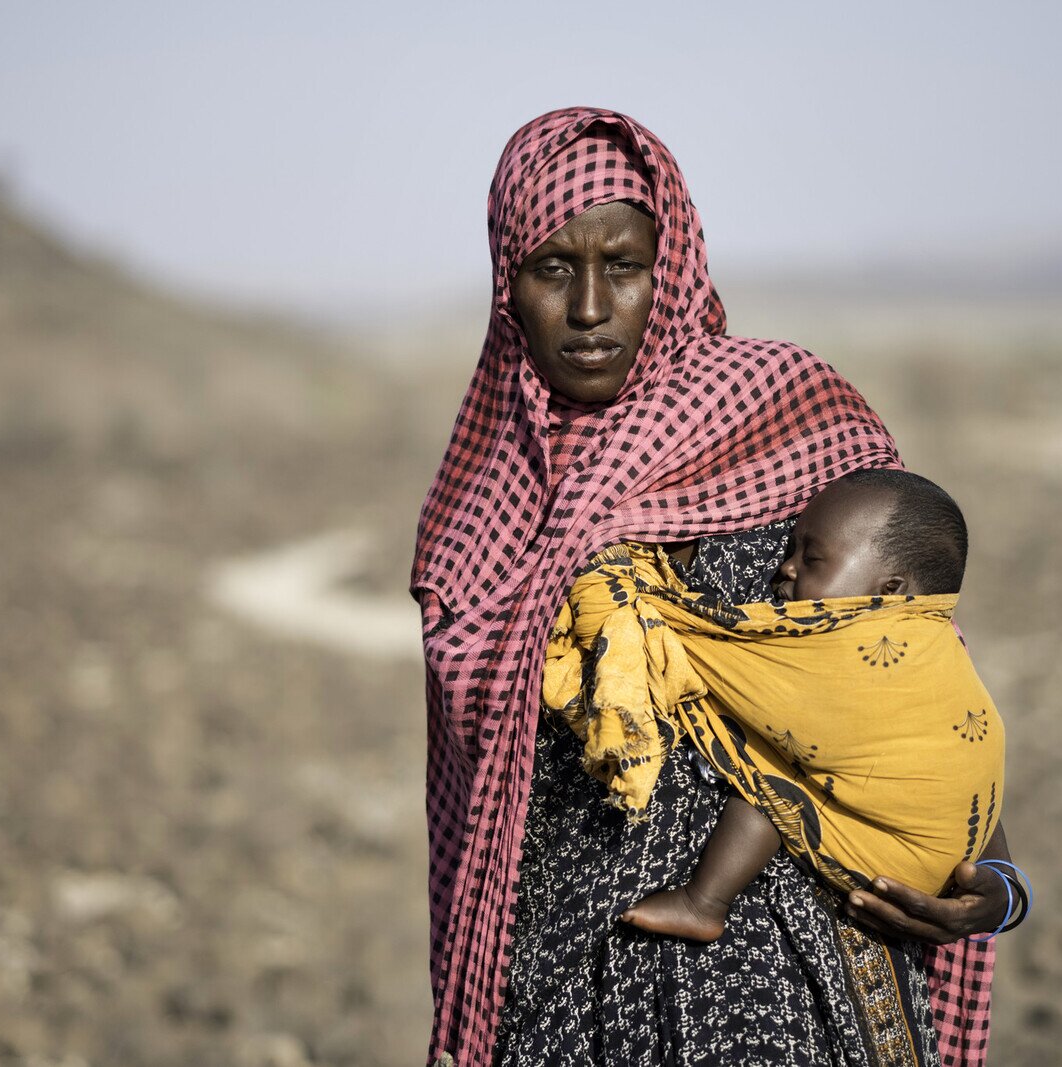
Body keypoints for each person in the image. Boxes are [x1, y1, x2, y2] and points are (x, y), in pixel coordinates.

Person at [413, 107, 1024, 1067]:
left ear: (675, 267)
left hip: (803, 980)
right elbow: (479, 805)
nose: (588, 308)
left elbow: (915, 690)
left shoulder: (798, 424)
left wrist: (993, 879)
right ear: (507, 283)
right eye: (551, 268)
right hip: (581, 987)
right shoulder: (481, 513)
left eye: (622, 265)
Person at [580, 468, 1004, 943]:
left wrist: (656, 613)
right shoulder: (923, 637)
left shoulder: (863, 653)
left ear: (890, 592)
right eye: (790, 550)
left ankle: (704, 902)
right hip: (930, 849)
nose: (786, 567)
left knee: (774, 766)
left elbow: (734, 661)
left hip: (898, 873)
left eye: (813, 557)